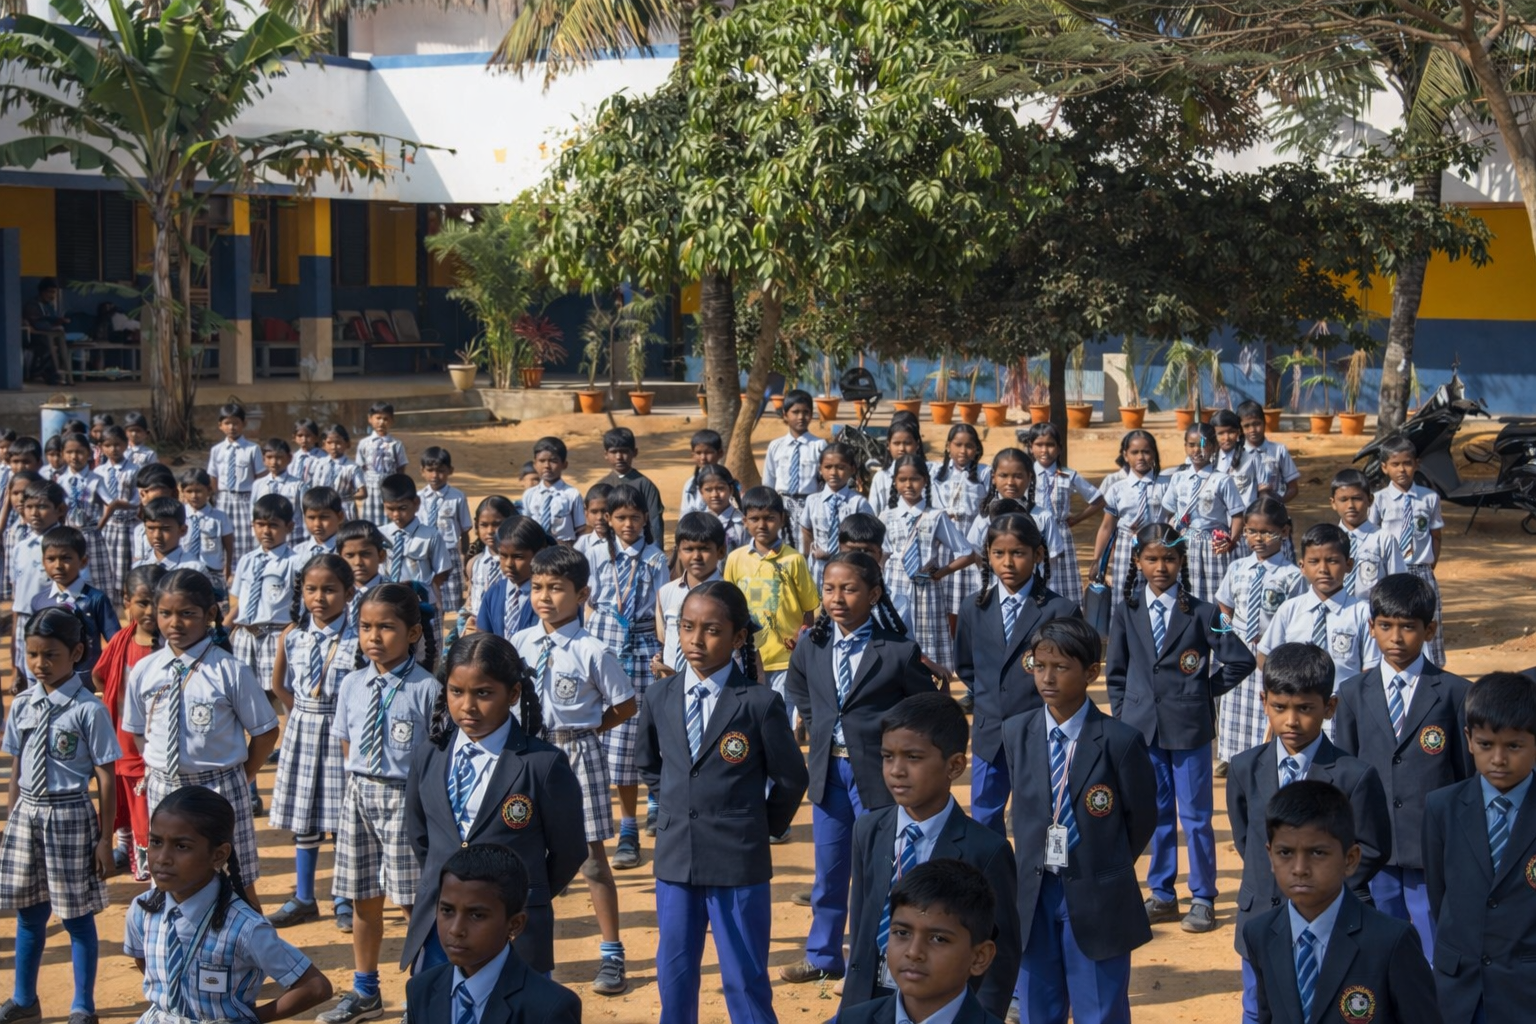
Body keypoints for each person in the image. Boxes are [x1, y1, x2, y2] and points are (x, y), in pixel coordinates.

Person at [637, 580, 809, 1024]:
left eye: (711, 630)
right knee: (674, 972)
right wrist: (676, 810)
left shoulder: (758, 703)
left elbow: (791, 778)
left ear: (737, 638)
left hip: (738, 860)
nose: (696, 640)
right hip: (676, 860)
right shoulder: (659, 696)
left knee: (744, 975)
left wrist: (757, 826)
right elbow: (651, 765)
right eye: (687, 627)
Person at [782, 552, 933, 985]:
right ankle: (823, 953)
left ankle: (875, 958)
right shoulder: (813, 644)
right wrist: (820, 724)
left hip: (879, 776)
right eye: (829, 589)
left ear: (874, 594)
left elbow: (921, 707)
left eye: (849, 589)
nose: (837, 598)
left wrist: (898, 750)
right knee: (829, 870)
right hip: (829, 771)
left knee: (878, 869)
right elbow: (798, 687)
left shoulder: (898, 650)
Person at [402, 635, 588, 985]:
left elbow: (569, 850)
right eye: (456, 692)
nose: (468, 706)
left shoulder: (541, 764)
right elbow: (420, 836)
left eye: (483, 693)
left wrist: (519, 897)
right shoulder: (429, 754)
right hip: (442, 930)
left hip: (513, 933)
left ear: (513, 694)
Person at [1227, 643, 1392, 1024]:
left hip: (1333, 921)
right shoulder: (1243, 768)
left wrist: (1318, 886)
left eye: (1305, 708)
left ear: (1329, 707)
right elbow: (1246, 839)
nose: (1291, 721)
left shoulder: (1354, 775)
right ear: (1264, 700)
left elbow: (1372, 846)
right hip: (1261, 917)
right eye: (1280, 707)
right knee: (1258, 1009)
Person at [1105, 522, 1255, 933]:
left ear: (1181, 562)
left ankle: (1203, 896)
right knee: (1155, 815)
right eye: (1151, 558)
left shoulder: (1204, 612)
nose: (1160, 566)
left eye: (1169, 558)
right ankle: (1163, 894)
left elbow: (1241, 660)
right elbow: (1116, 673)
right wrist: (1123, 714)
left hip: (1188, 729)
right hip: (1142, 730)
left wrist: (1204, 694)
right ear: (1137, 561)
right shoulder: (1125, 611)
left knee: (1196, 815)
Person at [1007, 617, 1156, 1024]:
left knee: (1099, 1008)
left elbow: (1141, 817)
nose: (1047, 677)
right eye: (1039, 666)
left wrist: (1106, 861)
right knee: (1039, 1006)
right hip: (1035, 892)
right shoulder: (1016, 732)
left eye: (1061, 667)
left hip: (1097, 892)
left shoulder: (1119, 740)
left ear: (1091, 672)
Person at [840, 692, 1019, 1018]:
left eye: (913, 757)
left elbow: (1001, 958)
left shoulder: (986, 850)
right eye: (887, 756)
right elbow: (864, 926)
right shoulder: (868, 830)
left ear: (954, 765)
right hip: (873, 1003)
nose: (896, 770)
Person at [508, 548, 636, 992]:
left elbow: (626, 703)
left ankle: (612, 954)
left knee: (592, 860)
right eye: (537, 587)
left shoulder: (593, 650)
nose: (544, 597)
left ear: (582, 594)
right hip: (528, 757)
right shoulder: (520, 642)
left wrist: (589, 730)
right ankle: (524, 955)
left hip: (579, 756)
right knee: (522, 858)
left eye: (556, 589)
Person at [1335, 572, 1473, 964]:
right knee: (1381, 948)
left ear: (1429, 630)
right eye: (1386, 626)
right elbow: (1344, 775)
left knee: (1436, 945)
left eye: (1409, 627)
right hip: (1372, 849)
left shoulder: (1455, 693)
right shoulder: (1351, 694)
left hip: (1432, 849)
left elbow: (1465, 778)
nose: (1396, 638)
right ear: (1371, 627)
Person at [122, 569, 278, 909]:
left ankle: (253, 960)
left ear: (209, 615)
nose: (174, 623)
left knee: (236, 883)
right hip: (165, 789)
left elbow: (266, 731)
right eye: (166, 613)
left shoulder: (230, 671)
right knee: (168, 882)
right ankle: (176, 959)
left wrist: (241, 777)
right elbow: (136, 731)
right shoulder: (145, 671)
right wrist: (161, 768)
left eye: (187, 613)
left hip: (220, 788)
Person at [321, 583, 439, 1024]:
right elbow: (347, 743)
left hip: (406, 799)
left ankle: (423, 994)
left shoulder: (428, 688)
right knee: (362, 898)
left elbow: (435, 756)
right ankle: (366, 990)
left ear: (412, 633)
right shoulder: (352, 683)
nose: (373, 636)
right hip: (358, 795)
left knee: (413, 903)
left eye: (386, 627)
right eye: (365, 627)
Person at [0, 608, 121, 1024]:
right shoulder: (22, 704)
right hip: (28, 816)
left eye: (49, 655)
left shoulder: (89, 710)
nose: (39, 664)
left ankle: (82, 1006)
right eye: (32, 654)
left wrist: (105, 840)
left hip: (70, 817)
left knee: (75, 917)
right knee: (30, 914)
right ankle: (23, 999)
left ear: (77, 653)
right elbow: (16, 767)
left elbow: (107, 777)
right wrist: (13, 822)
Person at [124, 786, 333, 1023]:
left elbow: (315, 987)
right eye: (156, 842)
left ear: (219, 854)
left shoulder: (246, 928)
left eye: (182, 846)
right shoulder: (142, 911)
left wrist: (251, 1018)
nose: (162, 858)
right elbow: (147, 963)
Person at [1243, 781, 1441, 1024]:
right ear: (1270, 856)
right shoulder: (1260, 934)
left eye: (1317, 853)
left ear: (1350, 859)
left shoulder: (1391, 941)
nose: (1299, 869)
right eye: (1285, 853)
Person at [955, 512, 1081, 835]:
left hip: (1041, 732)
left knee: (1039, 819)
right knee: (984, 818)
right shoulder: (973, 607)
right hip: (989, 734)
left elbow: (1071, 675)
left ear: (1038, 555)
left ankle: (1033, 884)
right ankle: (994, 884)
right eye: (999, 554)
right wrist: (993, 697)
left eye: (1018, 553)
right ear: (988, 555)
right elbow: (966, 665)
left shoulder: (1060, 611)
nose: (1008, 563)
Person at [1424, 670, 1536, 1024]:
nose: (1499, 759)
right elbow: (1439, 894)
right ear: (1469, 739)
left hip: (1526, 990)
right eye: (1486, 745)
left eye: (1514, 746)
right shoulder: (1441, 806)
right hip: (1460, 989)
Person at [266, 554, 360, 934]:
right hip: (303, 728)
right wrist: (302, 714)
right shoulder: (293, 636)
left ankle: (343, 897)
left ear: (349, 593)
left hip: (342, 733)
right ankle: (305, 897)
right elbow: (278, 685)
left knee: (342, 820)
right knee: (305, 819)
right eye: (311, 589)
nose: (319, 597)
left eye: (330, 589)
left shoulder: (357, 639)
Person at [583, 483, 668, 870]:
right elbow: (590, 602)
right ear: (607, 519)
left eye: (635, 517)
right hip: (606, 641)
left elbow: (662, 608)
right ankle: (628, 828)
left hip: (644, 644)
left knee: (641, 730)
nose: (627, 523)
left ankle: (652, 801)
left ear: (645, 519)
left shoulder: (654, 558)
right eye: (619, 517)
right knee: (613, 738)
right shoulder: (595, 552)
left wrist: (663, 652)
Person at [401, 845, 582, 1024]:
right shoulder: (420, 990)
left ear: (515, 925)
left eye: (477, 915)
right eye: (447, 910)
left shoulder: (549, 1009)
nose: (456, 929)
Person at [836, 859, 1006, 1024]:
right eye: (902, 933)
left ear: (979, 957)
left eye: (938, 939)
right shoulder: (852, 1020)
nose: (914, 952)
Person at [1215, 498, 1306, 773]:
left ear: (1285, 532)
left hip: (1273, 651)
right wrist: (1228, 630)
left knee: (1265, 705)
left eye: (1267, 532)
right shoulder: (1238, 568)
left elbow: (1297, 614)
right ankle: (1231, 757)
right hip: (1240, 649)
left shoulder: (1292, 575)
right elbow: (1225, 603)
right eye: (1251, 531)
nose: (1258, 538)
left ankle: (1263, 757)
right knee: (1234, 705)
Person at [726, 486, 819, 735]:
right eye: (754, 519)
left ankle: (782, 769)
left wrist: (802, 643)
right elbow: (728, 605)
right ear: (744, 521)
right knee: (748, 715)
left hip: (785, 657)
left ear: (782, 519)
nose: (762, 525)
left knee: (782, 715)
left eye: (769, 518)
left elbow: (809, 609)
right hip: (746, 654)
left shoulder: (794, 559)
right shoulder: (735, 559)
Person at [94, 564, 165, 881]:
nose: (150, 611)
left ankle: (150, 864)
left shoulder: (169, 645)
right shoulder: (122, 641)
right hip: (122, 738)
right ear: (127, 601)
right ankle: (134, 856)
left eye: (157, 602)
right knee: (126, 799)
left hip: (157, 742)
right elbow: (99, 674)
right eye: (142, 602)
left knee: (149, 806)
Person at [1258, 524, 1380, 694]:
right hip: (1299, 707)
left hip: (1345, 709)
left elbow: (1371, 667)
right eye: (1314, 561)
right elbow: (1265, 655)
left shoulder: (1362, 613)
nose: (1323, 569)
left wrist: (1354, 703)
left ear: (1349, 564)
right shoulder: (1289, 610)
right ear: (1302, 566)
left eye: (1333, 561)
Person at [880, 454, 971, 679]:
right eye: (902, 479)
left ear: (925, 481)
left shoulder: (936, 516)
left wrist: (941, 573)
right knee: (898, 636)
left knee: (927, 641)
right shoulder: (886, 515)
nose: (908, 485)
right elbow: (881, 555)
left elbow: (967, 553)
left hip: (927, 590)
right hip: (895, 588)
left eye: (915, 479)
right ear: (894, 482)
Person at [1368, 436, 1447, 665]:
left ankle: (1433, 668)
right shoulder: (1378, 500)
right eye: (1395, 464)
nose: (1401, 469)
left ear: (1417, 464)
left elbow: (1436, 535)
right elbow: (1373, 536)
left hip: (1421, 570)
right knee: (1392, 620)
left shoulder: (1429, 498)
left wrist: (1429, 565)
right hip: (1390, 572)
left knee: (1429, 619)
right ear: (1385, 467)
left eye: (1407, 463)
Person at [1161, 422, 1245, 602]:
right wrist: (1172, 537)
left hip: (1213, 544)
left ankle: (1214, 628)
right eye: (1191, 445)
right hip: (1184, 543)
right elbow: (1169, 513)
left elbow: (1238, 516)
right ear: (1185, 446)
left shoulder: (1222, 480)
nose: (1197, 450)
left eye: (1203, 445)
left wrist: (1230, 541)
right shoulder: (1178, 478)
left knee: (1215, 595)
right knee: (1185, 591)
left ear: (1214, 447)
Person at [229, 494, 300, 706]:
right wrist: (227, 627)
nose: (266, 532)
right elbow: (236, 600)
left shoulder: (295, 562)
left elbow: (300, 606)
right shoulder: (247, 560)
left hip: (275, 636)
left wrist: (288, 634)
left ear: (289, 527)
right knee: (243, 693)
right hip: (245, 635)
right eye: (260, 525)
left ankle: (282, 738)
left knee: (277, 693)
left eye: (273, 525)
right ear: (252, 525)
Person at [1088, 430, 1170, 613]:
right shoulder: (1117, 489)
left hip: (1159, 545)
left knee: (1160, 593)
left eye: (1146, 452)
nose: (1141, 457)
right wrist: (1097, 560)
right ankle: (1125, 636)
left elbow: (1172, 517)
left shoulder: (1167, 485)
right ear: (1125, 455)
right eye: (1134, 452)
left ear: (1154, 454)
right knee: (1125, 594)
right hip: (1126, 547)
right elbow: (1107, 527)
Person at [1026, 423, 1103, 604]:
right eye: (1039, 444)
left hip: (1061, 535)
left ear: (1059, 448)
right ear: (1031, 447)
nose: (1045, 450)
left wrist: (1075, 520)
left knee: (1062, 580)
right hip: (1032, 533)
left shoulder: (1068, 475)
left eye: (1050, 445)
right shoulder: (1026, 474)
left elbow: (1098, 500)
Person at [32, 525, 117, 676]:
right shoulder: (39, 602)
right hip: (50, 680)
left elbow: (116, 642)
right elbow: (34, 645)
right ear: (43, 562)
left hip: (88, 682)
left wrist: (106, 675)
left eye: (66, 558)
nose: (58, 566)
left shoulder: (95, 599)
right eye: (51, 559)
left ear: (83, 562)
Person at [653, 512, 726, 682]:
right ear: (678, 551)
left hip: (716, 684)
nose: (696, 557)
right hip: (674, 687)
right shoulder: (666, 593)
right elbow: (665, 640)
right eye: (689, 549)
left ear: (721, 551)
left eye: (704, 549)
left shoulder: (729, 594)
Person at [11, 480, 68, 690]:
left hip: (54, 619)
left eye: (42, 506)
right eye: (29, 507)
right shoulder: (20, 548)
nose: (34, 513)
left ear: (59, 510)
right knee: (31, 678)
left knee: (56, 677)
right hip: (25, 621)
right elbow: (18, 593)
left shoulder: (66, 545)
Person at [378, 474, 453, 631]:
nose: (396, 515)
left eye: (402, 508)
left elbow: (442, 570)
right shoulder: (380, 535)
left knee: (427, 649)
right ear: (384, 506)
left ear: (416, 503)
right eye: (390, 509)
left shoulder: (430, 535)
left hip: (422, 603)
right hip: (389, 603)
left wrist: (427, 592)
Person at [931, 424, 989, 618]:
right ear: (948, 446)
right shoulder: (935, 472)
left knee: (974, 591)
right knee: (943, 598)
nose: (963, 451)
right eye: (958, 444)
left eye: (969, 446)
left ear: (977, 449)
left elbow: (990, 507)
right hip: (943, 539)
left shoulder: (984, 473)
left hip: (972, 538)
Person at [803, 441, 875, 588]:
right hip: (817, 570)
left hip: (849, 570)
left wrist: (836, 554)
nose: (833, 473)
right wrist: (807, 555)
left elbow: (869, 538)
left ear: (852, 469)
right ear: (820, 469)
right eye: (828, 467)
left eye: (841, 467)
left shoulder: (858, 503)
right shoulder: (812, 501)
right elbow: (806, 529)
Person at [761, 389, 826, 547]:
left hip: (809, 503)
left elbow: (823, 481)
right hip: (783, 504)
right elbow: (769, 481)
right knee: (782, 547)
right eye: (795, 412)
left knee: (808, 546)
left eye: (806, 412)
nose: (801, 417)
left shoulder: (819, 445)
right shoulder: (776, 446)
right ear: (785, 414)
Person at [1331, 469, 1406, 601]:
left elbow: (1398, 582)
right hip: (1336, 614)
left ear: (1370, 500)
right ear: (1333, 503)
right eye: (1343, 500)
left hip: (1371, 614)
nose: (1351, 506)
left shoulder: (1383, 539)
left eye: (1357, 499)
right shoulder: (1328, 540)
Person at [57, 434, 116, 600]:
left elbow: (110, 503)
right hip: (69, 536)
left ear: (89, 454)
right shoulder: (61, 481)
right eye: (69, 452)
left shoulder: (95, 479)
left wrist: (100, 525)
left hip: (91, 535)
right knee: (72, 575)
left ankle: (100, 612)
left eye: (80, 452)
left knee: (97, 577)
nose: (74, 456)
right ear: (63, 453)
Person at [474, 517, 549, 641]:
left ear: (539, 555)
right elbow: (483, 638)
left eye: (518, 557)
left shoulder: (547, 597)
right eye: (503, 556)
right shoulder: (494, 593)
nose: (509, 564)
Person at [417, 448, 472, 613]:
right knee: (428, 595)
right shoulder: (417, 498)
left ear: (450, 471)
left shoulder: (457, 497)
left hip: (449, 552)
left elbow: (464, 531)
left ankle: (452, 634)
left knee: (453, 597)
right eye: (430, 470)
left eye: (441, 471)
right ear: (422, 472)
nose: (435, 475)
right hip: (425, 553)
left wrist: (465, 558)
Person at [207, 403, 264, 564]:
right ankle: (224, 568)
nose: (232, 427)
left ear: (243, 424)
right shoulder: (217, 450)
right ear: (220, 426)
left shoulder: (253, 449)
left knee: (244, 535)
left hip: (245, 498)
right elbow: (213, 476)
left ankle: (244, 566)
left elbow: (260, 476)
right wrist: (213, 498)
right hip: (223, 498)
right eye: (227, 423)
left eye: (236, 423)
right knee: (222, 533)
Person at [459, 496, 514, 636]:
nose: (490, 531)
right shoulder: (474, 564)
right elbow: (471, 601)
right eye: (484, 525)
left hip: (508, 630)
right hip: (479, 632)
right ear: (476, 525)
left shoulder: (517, 564)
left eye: (497, 524)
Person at [95, 425, 140, 595]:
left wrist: (119, 505)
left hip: (127, 526)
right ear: (101, 447)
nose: (113, 449)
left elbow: (137, 499)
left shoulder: (133, 470)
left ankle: (126, 599)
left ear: (126, 444)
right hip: (107, 526)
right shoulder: (98, 472)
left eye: (118, 444)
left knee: (126, 565)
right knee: (107, 566)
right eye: (108, 445)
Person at [602, 427, 665, 545]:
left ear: (634, 452)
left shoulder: (645, 485)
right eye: (614, 452)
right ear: (606, 454)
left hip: (641, 547)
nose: (619, 457)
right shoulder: (602, 485)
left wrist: (656, 552)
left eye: (624, 451)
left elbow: (655, 522)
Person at [521, 437, 585, 544]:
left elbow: (580, 529)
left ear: (564, 464)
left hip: (563, 552)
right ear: (535, 464)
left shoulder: (572, 494)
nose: (547, 466)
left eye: (553, 461)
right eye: (542, 461)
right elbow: (524, 526)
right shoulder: (529, 495)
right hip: (536, 551)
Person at [178, 469, 235, 586]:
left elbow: (228, 545)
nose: (194, 496)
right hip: (184, 567)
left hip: (213, 570)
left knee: (215, 601)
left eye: (198, 491)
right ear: (183, 492)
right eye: (189, 491)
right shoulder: (179, 515)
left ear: (209, 490)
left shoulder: (220, 517)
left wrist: (227, 566)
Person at [355, 402, 406, 529]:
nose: (381, 422)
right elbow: (359, 468)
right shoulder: (364, 444)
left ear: (392, 421)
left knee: (390, 521)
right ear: (370, 419)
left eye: (386, 419)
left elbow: (401, 468)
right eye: (378, 418)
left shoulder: (396, 444)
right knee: (370, 524)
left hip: (389, 488)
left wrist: (398, 489)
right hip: (371, 490)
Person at [132, 496, 208, 578]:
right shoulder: (139, 569)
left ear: (182, 530)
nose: (157, 536)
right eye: (151, 528)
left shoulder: (194, 570)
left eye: (165, 529)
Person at [868, 416, 924, 512]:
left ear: (917, 445)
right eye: (896, 443)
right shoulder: (881, 477)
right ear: (888, 445)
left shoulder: (929, 474)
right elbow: (872, 513)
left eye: (907, 443)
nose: (901, 448)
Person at [252, 439, 305, 541]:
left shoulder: (299, 485)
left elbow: (305, 513)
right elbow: (253, 511)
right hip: (266, 536)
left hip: (292, 536)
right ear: (263, 459)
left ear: (289, 458)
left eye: (279, 457)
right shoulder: (258, 484)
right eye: (269, 457)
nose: (274, 462)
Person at [696, 463, 748, 553]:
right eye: (708, 490)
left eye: (720, 488)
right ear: (701, 492)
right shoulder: (696, 523)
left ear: (731, 489)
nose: (715, 495)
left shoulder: (742, 523)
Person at [314, 425, 361, 521]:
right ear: (323, 445)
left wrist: (345, 497)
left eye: (338, 442)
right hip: (324, 507)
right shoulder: (319, 464)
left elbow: (362, 492)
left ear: (347, 444)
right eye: (329, 443)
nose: (333, 447)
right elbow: (315, 487)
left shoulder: (352, 467)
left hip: (345, 509)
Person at [679, 429, 724, 516]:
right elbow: (684, 515)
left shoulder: (727, 482)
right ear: (693, 455)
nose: (703, 457)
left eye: (708, 452)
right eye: (698, 453)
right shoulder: (689, 485)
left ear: (720, 453)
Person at [294, 486, 346, 560]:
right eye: (311, 518)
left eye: (324, 517)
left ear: (340, 517)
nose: (317, 524)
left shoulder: (346, 552)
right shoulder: (297, 552)